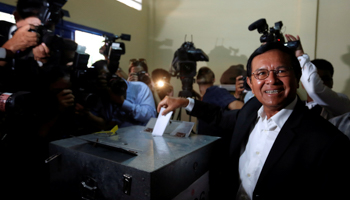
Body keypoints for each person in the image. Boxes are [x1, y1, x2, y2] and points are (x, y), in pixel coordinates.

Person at [157, 42, 350, 200]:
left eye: (281, 71)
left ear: (298, 76)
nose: (271, 80)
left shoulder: (328, 142)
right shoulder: (250, 110)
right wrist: (184, 102)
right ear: (250, 82)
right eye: (261, 73)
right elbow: (220, 116)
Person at [76, 60, 157, 130]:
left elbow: (149, 116)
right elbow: (106, 125)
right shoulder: (100, 93)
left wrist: (122, 103)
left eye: (108, 75)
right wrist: (86, 114)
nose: (107, 79)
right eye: (103, 77)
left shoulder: (139, 88)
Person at [285, 34, 350, 119]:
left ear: (332, 82)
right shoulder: (294, 107)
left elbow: (314, 88)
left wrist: (300, 56)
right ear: (303, 84)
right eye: (317, 79)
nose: (321, 82)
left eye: (325, 79)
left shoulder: (342, 103)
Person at [196, 66, 243, 136]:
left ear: (197, 80)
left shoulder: (215, 91)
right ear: (213, 79)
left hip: (217, 144)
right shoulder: (204, 97)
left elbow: (240, 108)